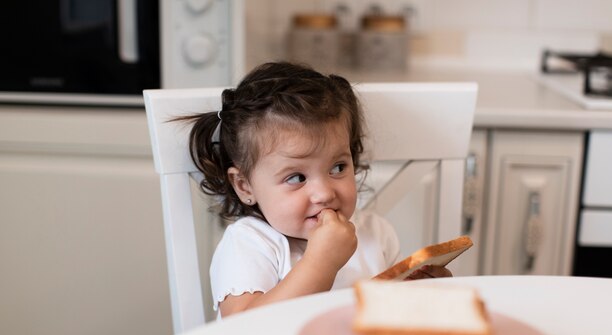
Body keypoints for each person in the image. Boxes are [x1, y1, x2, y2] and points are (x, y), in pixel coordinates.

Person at [181, 62, 451, 318]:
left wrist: (418, 292)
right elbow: (243, 328)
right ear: (244, 185)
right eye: (297, 177)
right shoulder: (250, 244)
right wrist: (321, 263)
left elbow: (385, 316)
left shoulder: (375, 233)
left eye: (337, 167)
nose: (324, 193)